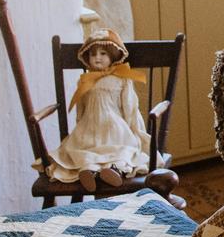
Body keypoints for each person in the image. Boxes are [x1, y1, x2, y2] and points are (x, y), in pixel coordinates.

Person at [45, 30, 152, 190]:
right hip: (89, 126)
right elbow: (81, 106)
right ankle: (89, 172)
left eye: (103, 53)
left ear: (113, 56)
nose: (97, 57)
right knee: (84, 151)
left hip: (114, 126)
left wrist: (134, 128)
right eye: (93, 54)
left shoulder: (121, 79)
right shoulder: (86, 80)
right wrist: (79, 124)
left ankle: (113, 170)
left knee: (122, 150)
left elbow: (129, 105)